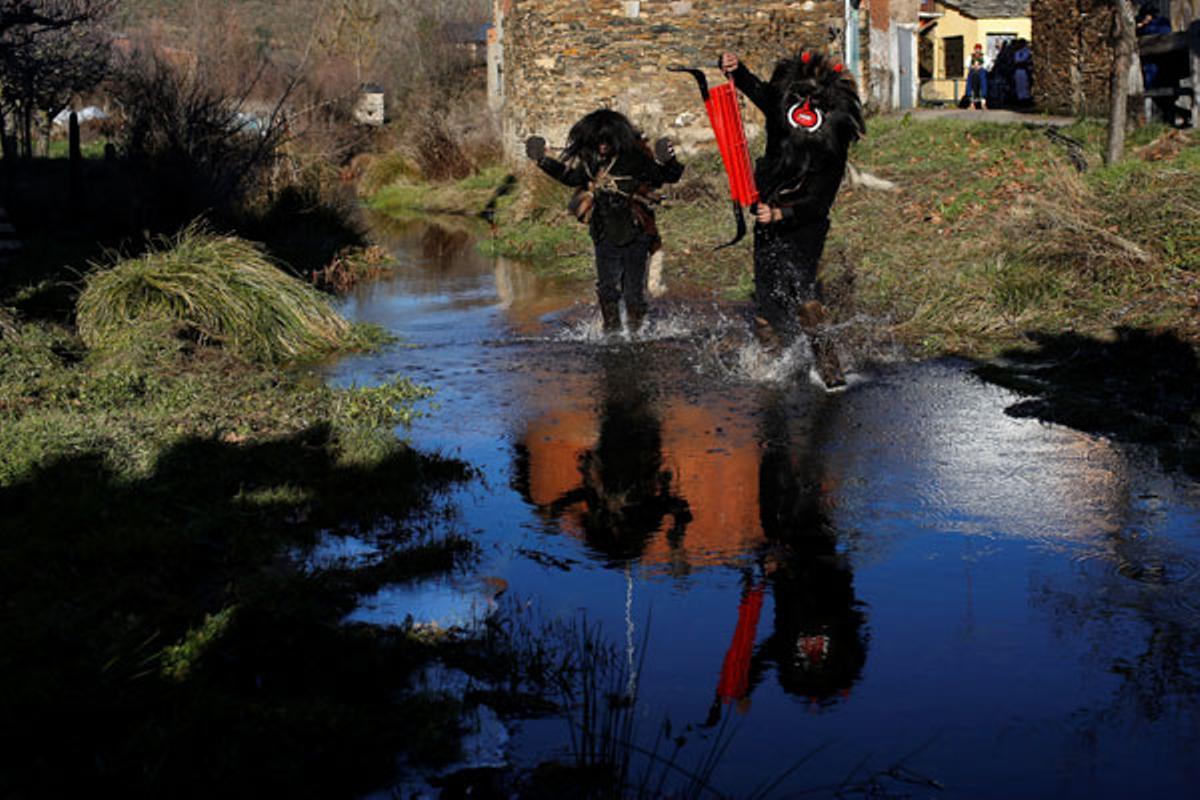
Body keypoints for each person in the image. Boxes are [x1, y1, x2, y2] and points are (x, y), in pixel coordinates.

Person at [718, 50, 864, 387]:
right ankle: (773, 367)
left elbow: (820, 200)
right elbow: (759, 91)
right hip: (767, 215)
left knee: (804, 295)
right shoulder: (781, 107)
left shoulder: (833, 139)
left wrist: (783, 213)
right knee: (766, 298)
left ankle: (830, 370)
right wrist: (736, 71)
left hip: (805, 225)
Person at [525, 110, 684, 335]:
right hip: (603, 231)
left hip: (635, 230)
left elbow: (664, 176)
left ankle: (637, 336)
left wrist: (669, 161)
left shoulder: (634, 157)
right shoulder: (591, 160)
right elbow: (571, 178)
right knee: (607, 289)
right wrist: (542, 161)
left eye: (606, 141)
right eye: (598, 142)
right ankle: (611, 333)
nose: (602, 146)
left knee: (632, 294)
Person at [967, 43, 988, 110]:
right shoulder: (970, 57)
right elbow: (967, 64)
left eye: (979, 49)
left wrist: (981, 66)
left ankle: (983, 103)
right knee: (970, 86)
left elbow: (987, 64)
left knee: (983, 84)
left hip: (981, 72)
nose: (977, 50)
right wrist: (972, 66)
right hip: (973, 72)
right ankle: (972, 104)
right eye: (976, 49)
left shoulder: (984, 57)